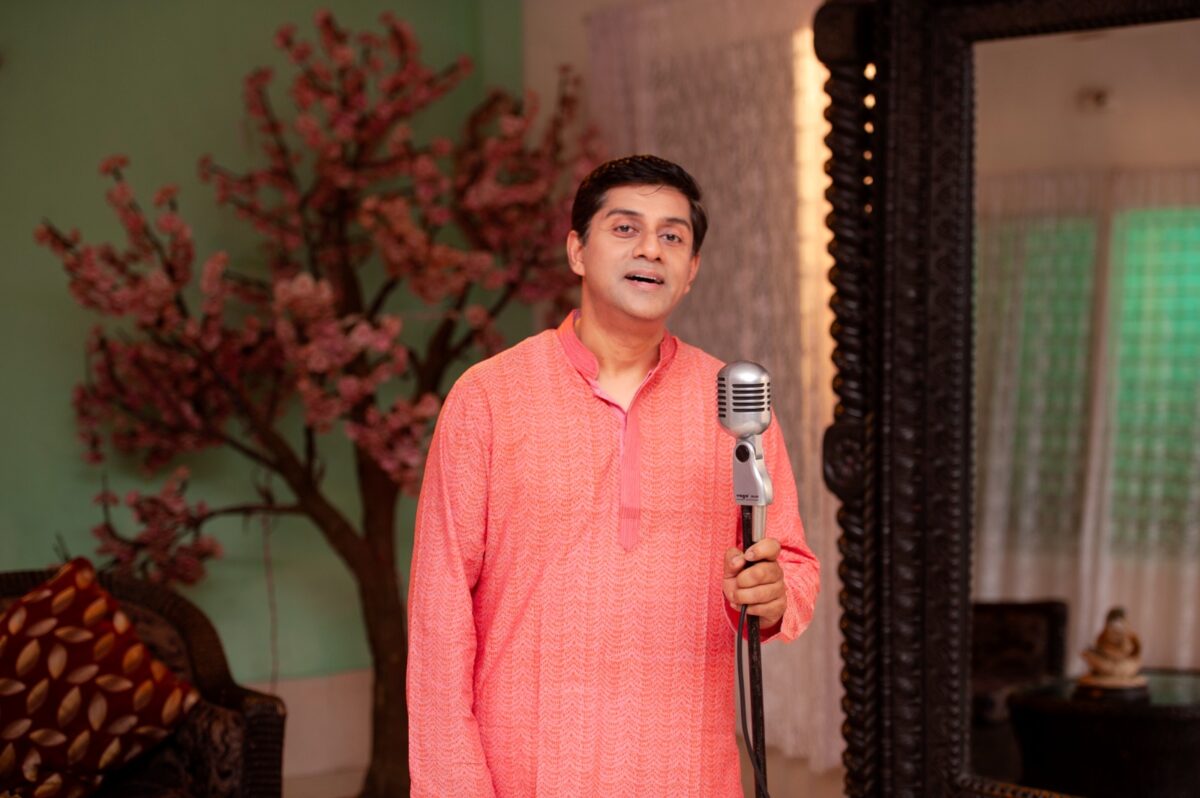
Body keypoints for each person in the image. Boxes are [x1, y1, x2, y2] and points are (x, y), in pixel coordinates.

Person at [407, 155, 820, 796]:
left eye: (673, 236)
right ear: (576, 250)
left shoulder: (735, 404)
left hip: (688, 770)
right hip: (526, 769)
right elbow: (439, 614)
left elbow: (791, 564)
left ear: (691, 272)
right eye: (625, 229)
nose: (651, 249)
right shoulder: (488, 398)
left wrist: (771, 596)